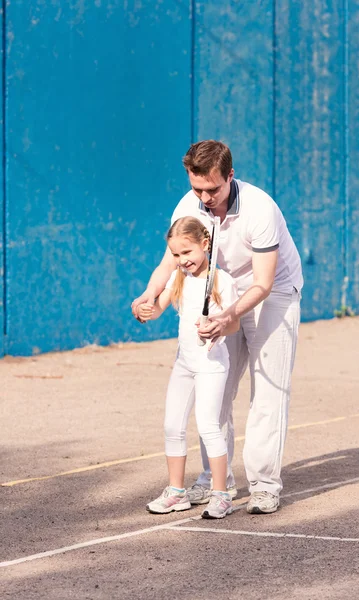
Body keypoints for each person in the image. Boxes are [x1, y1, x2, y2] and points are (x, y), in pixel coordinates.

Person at [132, 140, 303, 514]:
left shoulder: (259, 209)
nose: (206, 197)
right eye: (198, 188)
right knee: (217, 388)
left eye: (214, 188)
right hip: (221, 292)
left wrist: (228, 317)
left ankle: (263, 485)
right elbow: (170, 261)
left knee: (268, 392)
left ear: (230, 176)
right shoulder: (187, 204)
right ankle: (216, 481)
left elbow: (262, 283)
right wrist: (149, 295)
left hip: (272, 293)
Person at [137, 216, 240, 519]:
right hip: (184, 362)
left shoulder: (223, 281)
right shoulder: (177, 279)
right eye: (176, 255)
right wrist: (145, 308)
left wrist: (217, 327)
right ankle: (176, 492)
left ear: (205, 245)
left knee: (209, 426)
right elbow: (157, 309)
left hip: (211, 364)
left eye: (188, 252)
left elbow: (233, 325)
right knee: (172, 425)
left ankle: (221, 495)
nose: (183, 260)